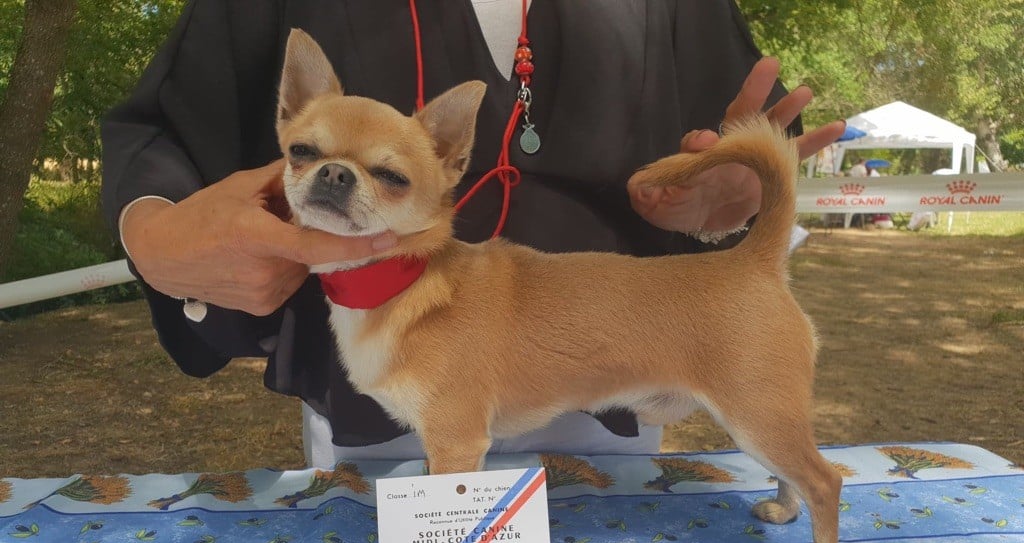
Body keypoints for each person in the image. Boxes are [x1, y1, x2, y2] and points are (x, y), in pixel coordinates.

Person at [101, 0, 844, 467]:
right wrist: (155, 234)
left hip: (617, 384)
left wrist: (729, 199)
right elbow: (165, 125)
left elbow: (750, 128)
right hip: (373, 406)